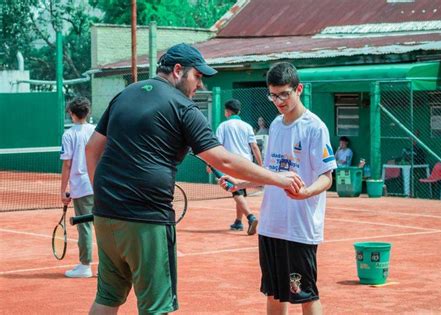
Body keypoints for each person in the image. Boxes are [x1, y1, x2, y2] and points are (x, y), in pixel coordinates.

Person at [85, 43, 303, 315]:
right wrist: (278, 179)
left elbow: (92, 148)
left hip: (105, 215)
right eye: (197, 77)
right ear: (178, 70)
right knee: (155, 307)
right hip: (146, 219)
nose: (199, 85)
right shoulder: (184, 108)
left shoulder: (124, 95)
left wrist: (102, 194)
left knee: (108, 297)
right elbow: (223, 160)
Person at [219, 62, 337, 315]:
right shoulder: (274, 124)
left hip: (299, 227)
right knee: (274, 293)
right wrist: (241, 183)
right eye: (273, 95)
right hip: (271, 225)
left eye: (285, 94)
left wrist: (305, 192)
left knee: (306, 294)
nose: (279, 100)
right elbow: (272, 174)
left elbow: (327, 177)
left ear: (299, 89)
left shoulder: (315, 127)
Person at [60, 96, 95, 278]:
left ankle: (85, 266)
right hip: (101, 185)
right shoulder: (97, 131)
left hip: (82, 187)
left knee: (85, 226)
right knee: (106, 226)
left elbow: (67, 165)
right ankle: (108, 268)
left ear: (72, 114)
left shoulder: (69, 135)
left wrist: (62, 191)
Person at [216, 99, 263, 235]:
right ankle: (238, 221)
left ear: (227, 111)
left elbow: (218, 147)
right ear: (239, 111)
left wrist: (212, 163)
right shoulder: (247, 126)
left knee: (236, 191)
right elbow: (254, 146)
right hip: (246, 164)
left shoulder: (223, 126)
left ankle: (250, 217)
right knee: (240, 190)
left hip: (231, 165)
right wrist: (260, 166)